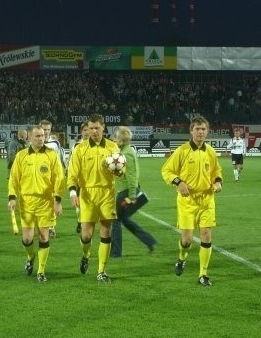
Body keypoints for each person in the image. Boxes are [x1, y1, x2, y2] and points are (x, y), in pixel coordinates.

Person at [161, 116, 223, 286]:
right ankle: (182, 258)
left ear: (207, 131)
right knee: (187, 240)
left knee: (206, 234)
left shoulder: (210, 151)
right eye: (197, 129)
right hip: (187, 201)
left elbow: (217, 170)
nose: (201, 132)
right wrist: (178, 182)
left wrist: (218, 182)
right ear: (191, 131)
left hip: (206, 200)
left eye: (203, 129)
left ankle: (203, 274)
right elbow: (167, 171)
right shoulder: (182, 151)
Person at [8, 125, 65, 283]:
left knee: (43, 236)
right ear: (29, 138)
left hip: (45, 202)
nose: (41, 138)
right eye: (38, 136)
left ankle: (41, 270)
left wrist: (57, 200)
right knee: (27, 239)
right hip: (27, 202)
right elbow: (14, 178)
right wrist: (12, 197)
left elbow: (59, 179)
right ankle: (30, 257)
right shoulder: (21, 156)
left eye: (42, 136)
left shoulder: (51, 155)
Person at [67, 113, 120, 283]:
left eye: (97, 128)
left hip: (107, 193)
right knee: (86, 236)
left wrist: (119, 171)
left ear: (103, 128)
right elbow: (72, 174)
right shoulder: (80, 149)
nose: (94, 131)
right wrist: (73, 193)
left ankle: (101, 271)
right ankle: (86, 254)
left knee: (105, 230)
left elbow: (120, 170)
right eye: (91, 128)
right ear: (87, 129)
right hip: (87, 194)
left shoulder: (113, 147)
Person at [110, 126, 157, 257]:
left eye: (116, 137)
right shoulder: (127, 150)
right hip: (128, 190)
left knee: (116, 220)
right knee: (124, 219)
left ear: (120, 138)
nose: (114, 139)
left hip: (126, 192)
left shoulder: (126, 154)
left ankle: (115, 253)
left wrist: (132, 195)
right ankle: (149, 241)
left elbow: (131, 175)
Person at [41, 119, 65, 238]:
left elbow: (60, 159)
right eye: (44, 129)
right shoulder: (33, 142)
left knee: (51, 202)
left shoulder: (54, 144)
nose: (45, 132)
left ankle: (50, 227)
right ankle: (43, 225)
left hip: (51, 178)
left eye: (48, 130)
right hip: (38, 179)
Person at [71, 121, 91, 234]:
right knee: (79, 202)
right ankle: (80, 221)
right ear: (81, 132)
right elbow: (73, 162)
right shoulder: (76, 146)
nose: (87, 132)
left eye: (88, 130)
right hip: (81, 180)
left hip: (94, 180)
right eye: (84, 130)